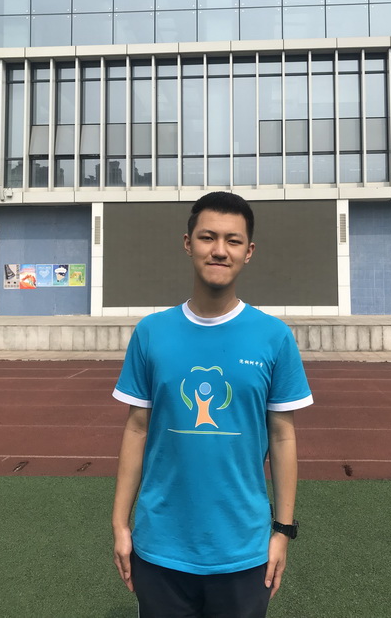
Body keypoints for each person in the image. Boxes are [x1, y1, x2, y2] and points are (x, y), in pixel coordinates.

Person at [111, 191, 313, 618]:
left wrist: (282, 531)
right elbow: (136, 428)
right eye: (208, 237)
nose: (219, 250)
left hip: (243, 549)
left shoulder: (274, 337)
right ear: (188, 243)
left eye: (232, 240)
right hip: (160, 546)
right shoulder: (151, 332)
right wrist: (120, 524)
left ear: (248, 251)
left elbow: (283, 437)